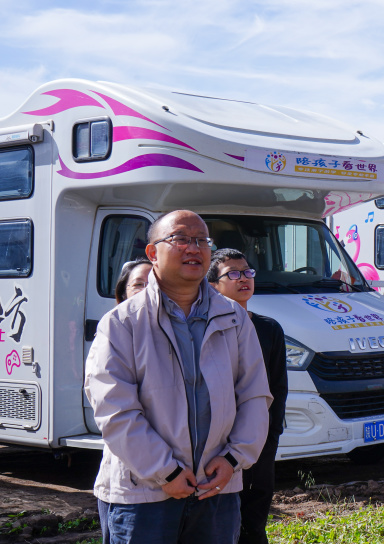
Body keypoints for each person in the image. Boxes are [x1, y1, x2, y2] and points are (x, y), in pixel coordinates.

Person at [85, 210, 271, 544]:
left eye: (202, 241)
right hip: (144, 494)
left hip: (216, 489)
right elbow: (114, 409)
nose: (194, 248)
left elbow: (255, 395)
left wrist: (233, 459)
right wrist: (166, 471)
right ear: (152, 253)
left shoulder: (234, 318)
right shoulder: (122, 323)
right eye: (181, 239)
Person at [208, 248, 288, 544]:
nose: (243, 278)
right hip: (216, 441)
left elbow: (277, 387)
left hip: (259, 439)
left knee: (255, 516)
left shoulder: (268, 328)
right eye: (233, 273)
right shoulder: (208, 327)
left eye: (247, 272)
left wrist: (271, 433)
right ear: (212, 284)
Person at [96, 257, 155, 543]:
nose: (147, 290)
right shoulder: (114, 331)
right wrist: (167, 470)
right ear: (122, 294)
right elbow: (116, 411)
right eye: (138, 285)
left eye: (153, 284)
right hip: (129, 485)